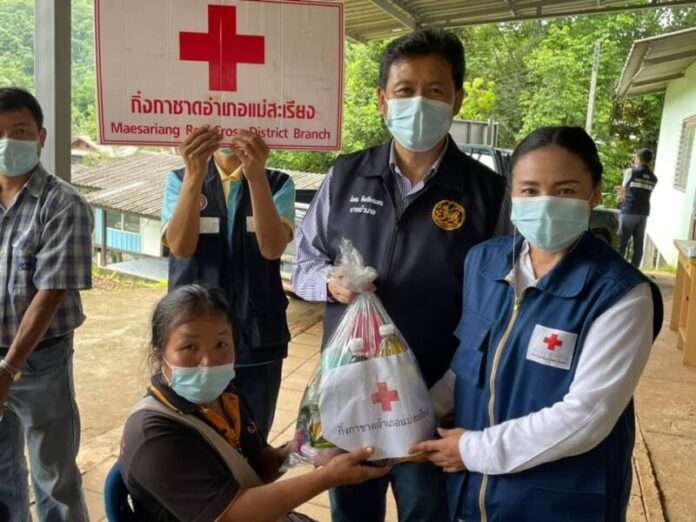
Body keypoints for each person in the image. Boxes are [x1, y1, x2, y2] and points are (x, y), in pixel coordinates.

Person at [292, 29, 507, 522]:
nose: (418, 103)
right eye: (405, 90)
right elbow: (303, 262)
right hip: (349, 396)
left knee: (425, 511)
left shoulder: (487, 193)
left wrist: (447, 393)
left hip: (433, 402)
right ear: (382, 100)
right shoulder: (346, 175)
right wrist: (329, 283)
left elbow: (496, 305)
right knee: (352, 512)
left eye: (435, 90)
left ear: (457, 99)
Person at [414, 127, 664, 522]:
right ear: (512, 194)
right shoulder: (484, 263)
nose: (546, 203)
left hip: (557, 503)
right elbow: (465, 368)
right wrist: (414, 417)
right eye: (529, 190)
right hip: (471, 496)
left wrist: (472, 450)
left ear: (595, 193)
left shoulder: (619, 294)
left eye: (565, 190)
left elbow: (587, 417)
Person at [119, 285, 390, 521]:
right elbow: (232, 515)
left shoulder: (226, 398)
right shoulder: (153, 434)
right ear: (160, 354)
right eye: (189, 347)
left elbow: (254, 468)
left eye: (221, 344)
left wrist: (301, 448)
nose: (209, 361)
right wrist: (328, 477)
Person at [162, 127, 295, 441]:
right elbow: (180, 246)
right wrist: (195, 175)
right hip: (194, 333)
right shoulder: (180, 179)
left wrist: (256, 178)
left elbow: (272, 248)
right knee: (192, 435)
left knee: (253, 435)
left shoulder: (277, 183)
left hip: (258, 334)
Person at [0, 87, 93, 521]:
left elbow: (51, 292)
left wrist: (9, 369)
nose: (7, 142)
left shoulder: (63, 203)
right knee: (2, 473)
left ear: (40, 137)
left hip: (39, 360)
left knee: (54, 476)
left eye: (19, 131)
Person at [617, 148, 657, 267]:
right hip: (643, 213)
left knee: (621, 244)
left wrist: (620, 196)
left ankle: (618, 270)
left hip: (629, 210)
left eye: (635, 157)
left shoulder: (631, 172)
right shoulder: (654, 178)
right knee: (638, 245)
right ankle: (635, 271)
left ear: (638, 158)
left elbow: (623, 192)